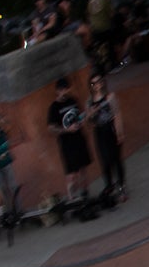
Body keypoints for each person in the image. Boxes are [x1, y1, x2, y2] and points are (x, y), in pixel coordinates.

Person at [48, 78, 93, 200]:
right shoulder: (54, 107)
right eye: (62, 90)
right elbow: (51, 128)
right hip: (67, 144)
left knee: (83, 168)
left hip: (79, 139)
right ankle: (72, 198)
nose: (65, 92)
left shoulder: (73, 100)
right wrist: (67, 130)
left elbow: (80, 115)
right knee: (71, 174)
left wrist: (83, 120)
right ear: (57, 91)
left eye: (66, 89)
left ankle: (85, 193)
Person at [87, 72, 127, 202]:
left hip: (110, 128)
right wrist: (91, 114)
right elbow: (90, 122)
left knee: (116, 159)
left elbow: (117, 114)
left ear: (102, 82)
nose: (97, 85)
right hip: (99, 132)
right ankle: (109, 185)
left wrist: (119, 132)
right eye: (93, 83)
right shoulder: (89, 101)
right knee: (105, 161)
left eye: (98, 82)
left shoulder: (110, 97)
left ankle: (121, 185)